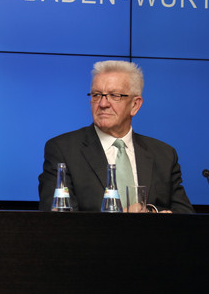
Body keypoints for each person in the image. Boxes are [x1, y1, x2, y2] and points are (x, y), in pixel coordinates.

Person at [38, 60, 194, 213]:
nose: (103, 103)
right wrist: (118, 221)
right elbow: (57, 221)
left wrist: (151, 212)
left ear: (135, 105)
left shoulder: (163, 154)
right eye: (96, 95)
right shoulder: (63, 150)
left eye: (114, 95)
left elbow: (186, 215)